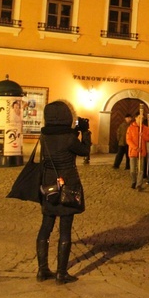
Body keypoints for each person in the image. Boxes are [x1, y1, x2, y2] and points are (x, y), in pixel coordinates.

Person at [36, 100, 91, 284]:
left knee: (46, 227)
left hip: (49, 185)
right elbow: (84, 151)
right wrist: (85, 132)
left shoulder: (44, 136)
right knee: (65, 230)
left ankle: (42, 270)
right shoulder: (69, 138)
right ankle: (61, 273)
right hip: (68, 185)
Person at [127, 110, 149, 190]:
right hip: (133, 151)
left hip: (142, 151)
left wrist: (142, 135)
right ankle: (134, 181)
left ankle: (139, 184)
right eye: (140, 118)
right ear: (136, 118)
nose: (141, 119)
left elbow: (148, 139)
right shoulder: (130, 128)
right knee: (133, 170)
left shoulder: (146, 128)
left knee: (140, 170)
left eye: (142, 118)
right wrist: (135, 147)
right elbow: (128, 140)